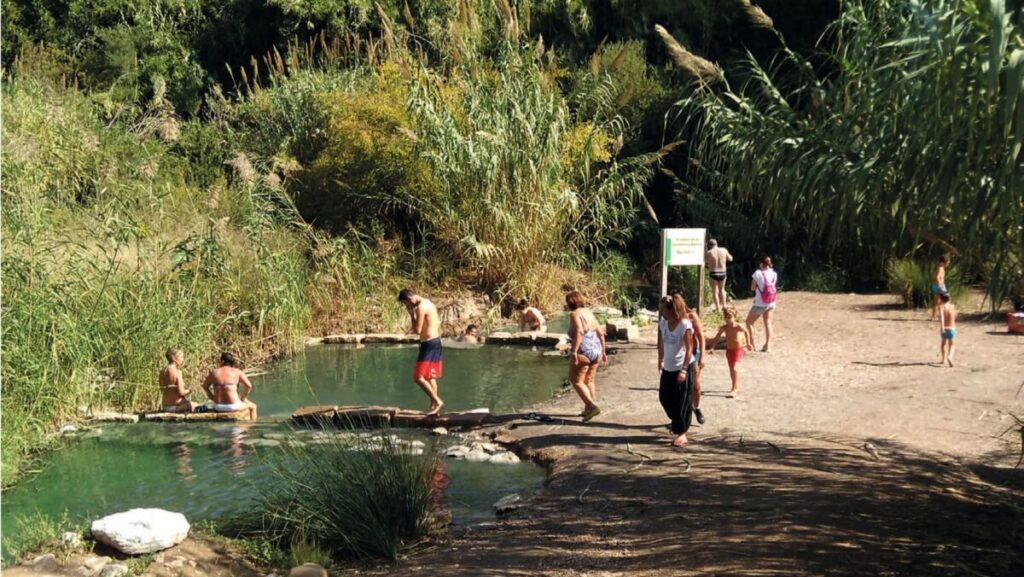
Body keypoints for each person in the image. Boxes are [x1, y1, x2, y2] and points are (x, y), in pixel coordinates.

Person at [657, 294, 695, 448]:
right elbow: (660, 343)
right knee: (664, 397)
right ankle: (677, 422)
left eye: (663, 310)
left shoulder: (684, 324)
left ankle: (682, 433)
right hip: (668, 367)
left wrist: (684, 370)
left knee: (682, 400)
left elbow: (689, 348)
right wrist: (660, 359)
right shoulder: (663, 324)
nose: (661, 313)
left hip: (682, 366)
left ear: (672, 310)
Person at [399, 288, 445, 416]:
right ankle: (433, 407)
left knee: (418, 377)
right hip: (436, 341)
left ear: (410, 299)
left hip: (428, 344)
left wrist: (412, 315)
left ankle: (438, 401)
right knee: (430, 376)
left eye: (406, 303)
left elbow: (417, 330)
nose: (407, 306)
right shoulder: (429, 303)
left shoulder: (420, 308)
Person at [566, 290, 606, 422]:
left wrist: (574, 352)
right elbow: (600, 331)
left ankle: (591, 406)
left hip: (584, 350)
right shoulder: (588, 312)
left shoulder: (574, 314)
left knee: (576, 381)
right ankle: (588, 409)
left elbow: (579, 332)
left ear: (570, 303)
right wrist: (604, 350)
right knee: (589, 380)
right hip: (596, 349)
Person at [669, 287, 706, 424]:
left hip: (693, 353)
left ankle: (696, 407)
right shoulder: (670, 317)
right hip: (677, 355)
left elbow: (701, 336)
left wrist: (702, 355)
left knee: (695, 385)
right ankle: (680, 413)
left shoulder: (691, 315)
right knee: (678, 386)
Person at [708, 308, 754, 397]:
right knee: (731, 369)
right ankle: (735, 385)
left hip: (738, 350)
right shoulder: (724, 328)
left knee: (735, 368)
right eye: (726, 317)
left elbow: (747, 332)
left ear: (734, 317)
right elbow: (717, 337)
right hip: (729, 351)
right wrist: (712, 347)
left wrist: (748, 343)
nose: (727, 319)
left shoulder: (739, 326)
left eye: (729, 317)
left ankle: (735, 389)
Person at [201, 352, 257, 420]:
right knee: (253, 407)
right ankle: (253, 425)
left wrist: (213, 398)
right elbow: (249, 386)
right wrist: (242, 398)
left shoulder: (214, 372)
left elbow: (205, 387)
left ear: (222, 361)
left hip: (218, 407)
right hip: (233, 406)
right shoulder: (237, 372)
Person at [746, 256, 778, 352]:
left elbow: (752, 288)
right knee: (768, 323)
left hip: (760, 302)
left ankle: (752, 344)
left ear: (761, 264)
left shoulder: (757, 273)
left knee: (749, 322)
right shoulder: (774, 274)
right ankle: (768, 345)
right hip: (771, 302)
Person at [159, 348, 197, 413]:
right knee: (196, 405)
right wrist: (190, 390)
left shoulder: (162, 371)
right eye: (181, 357)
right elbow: (181, 392)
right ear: (174, 358)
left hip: (165, 406)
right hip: (176, 407)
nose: (183, 359)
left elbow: (163, 390)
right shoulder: (177, 372)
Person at [705, 239, 733, 312]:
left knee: (715, 291)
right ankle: (724, 305)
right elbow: (730, 259)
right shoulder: (724, 250)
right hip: (723, 272)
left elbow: (705, 261)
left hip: (714, 273)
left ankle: (718, 308)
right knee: (722, 289)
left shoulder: (709, 252)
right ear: (716, 244)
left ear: (709, 245)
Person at [938, 292, 957, 367]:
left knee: (943, 344)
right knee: (952, 344)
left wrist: (942, 327)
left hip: (944, 328)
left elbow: (942, 318)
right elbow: (955, 316)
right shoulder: (952, 306)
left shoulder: (941, 307)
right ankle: (950, 356)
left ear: (941, 299)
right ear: (949, 298)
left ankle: (943, 359)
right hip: (952, 328)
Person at [931, 255, 949, 320]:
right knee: (945, 300)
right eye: (947, 263)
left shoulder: (937, 267)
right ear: (942, 262)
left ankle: (934, 316)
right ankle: (942, 315)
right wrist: (940, 285)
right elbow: (937, 277)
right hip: (940, 285)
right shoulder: (940, 268)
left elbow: (933, 275)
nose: (947, 264)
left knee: (937, 302)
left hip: (935, 285)